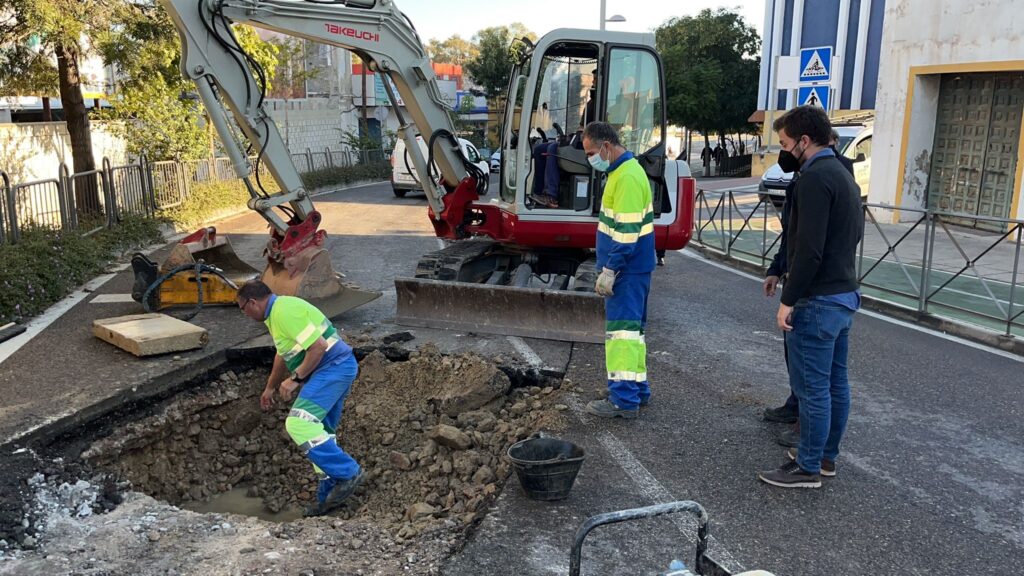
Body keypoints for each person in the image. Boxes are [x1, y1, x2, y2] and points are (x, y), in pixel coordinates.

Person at [757, 105, 863, 489]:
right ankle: (825, 457)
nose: (783, 151)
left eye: (786, 143)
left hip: (817, 300)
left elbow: (809, 250)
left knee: (813, 389)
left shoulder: (814, 179)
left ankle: (808, 467)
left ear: (804, 140)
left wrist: (789, 299)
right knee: (835, 384)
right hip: (843, 293)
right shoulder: (843, 174)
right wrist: (777, 267)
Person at [237, 280, 364, 514]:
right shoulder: (276, 314)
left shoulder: (284, 312)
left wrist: (295, 378)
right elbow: (283, 353)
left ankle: (348, 472)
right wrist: (270, 387)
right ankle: (328, 499)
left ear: (252, 303)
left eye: (242, 309)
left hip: (333, 368)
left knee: (298, 423)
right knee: (321, 432)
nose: (244, 314)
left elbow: (318, 346)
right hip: (333, 369)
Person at [583, 121, 656, 419]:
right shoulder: (624, 172)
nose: (590, 159)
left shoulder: (626, 177)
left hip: (626, 270)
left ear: (606, 146)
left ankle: (623, 400)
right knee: (633, 333)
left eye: (591, 153)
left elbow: (626, 233)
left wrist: (610, 269)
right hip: (635, 269)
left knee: (621, 334)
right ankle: (637, 389)